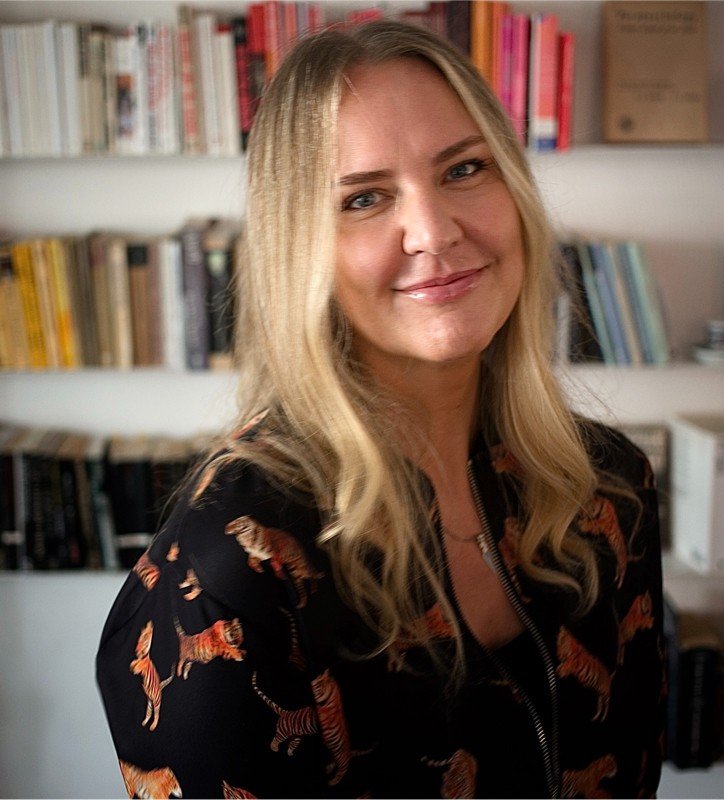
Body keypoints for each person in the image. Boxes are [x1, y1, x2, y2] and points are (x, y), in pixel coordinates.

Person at [96, 20, 664, 799]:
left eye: (465, 168)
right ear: (302, 250)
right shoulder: (230, 566)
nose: (434, 232)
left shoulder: (608, 484)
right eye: (364, 198)